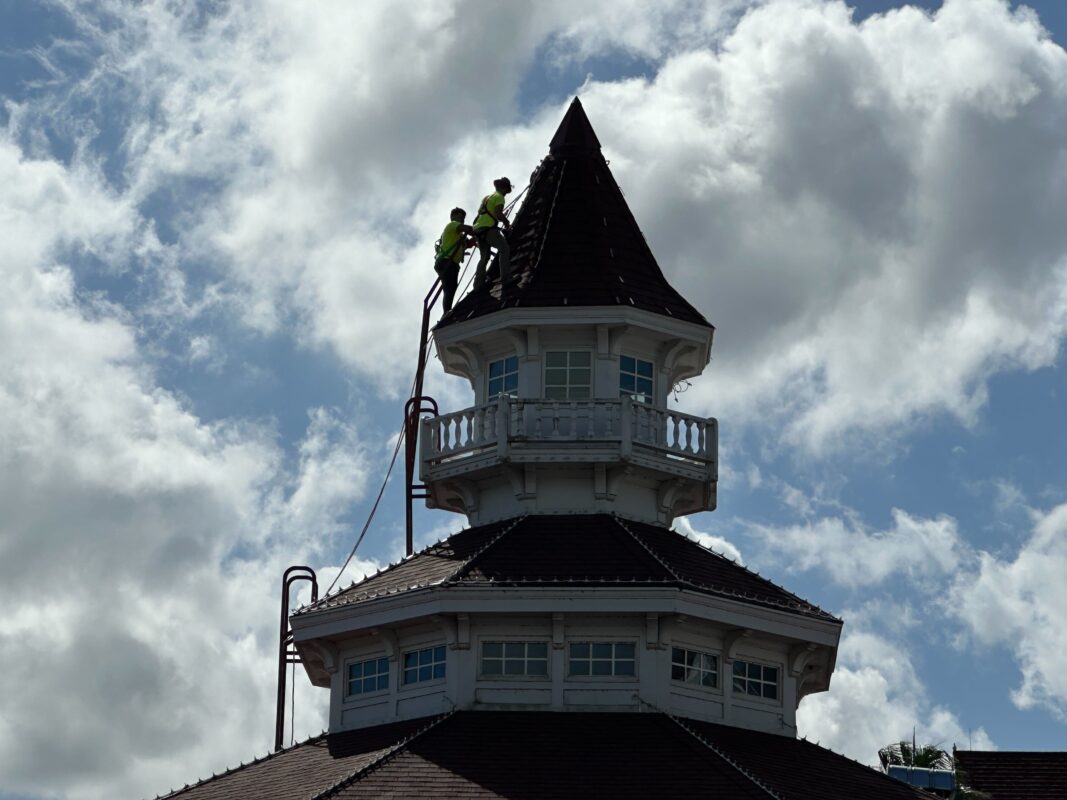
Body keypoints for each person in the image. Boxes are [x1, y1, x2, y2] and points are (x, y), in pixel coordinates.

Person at [472, 177, 513, 292]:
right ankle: (506, 278)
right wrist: (506, 223)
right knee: (504, 248)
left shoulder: (487, 198)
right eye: (507, 191)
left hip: (478, 230)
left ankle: (478, 285)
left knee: (484, 258)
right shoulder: (500, 197)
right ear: (504, 188)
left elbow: (480, 214)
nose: (506, 194)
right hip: (489, 229)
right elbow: (498, 213)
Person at [434, 207, 475, 313]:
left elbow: (468, 244)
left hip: (449, 262)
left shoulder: (458, 235)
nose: (462, 219)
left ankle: (447, 311)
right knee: (449, 289)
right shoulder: (452, 225)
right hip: (447, 261)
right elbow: (469, 230)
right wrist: (481, 228)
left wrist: (474, 240)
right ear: (453, 217)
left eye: (463, 218)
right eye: (460, 216)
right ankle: (446, 312)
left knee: (450, 288)